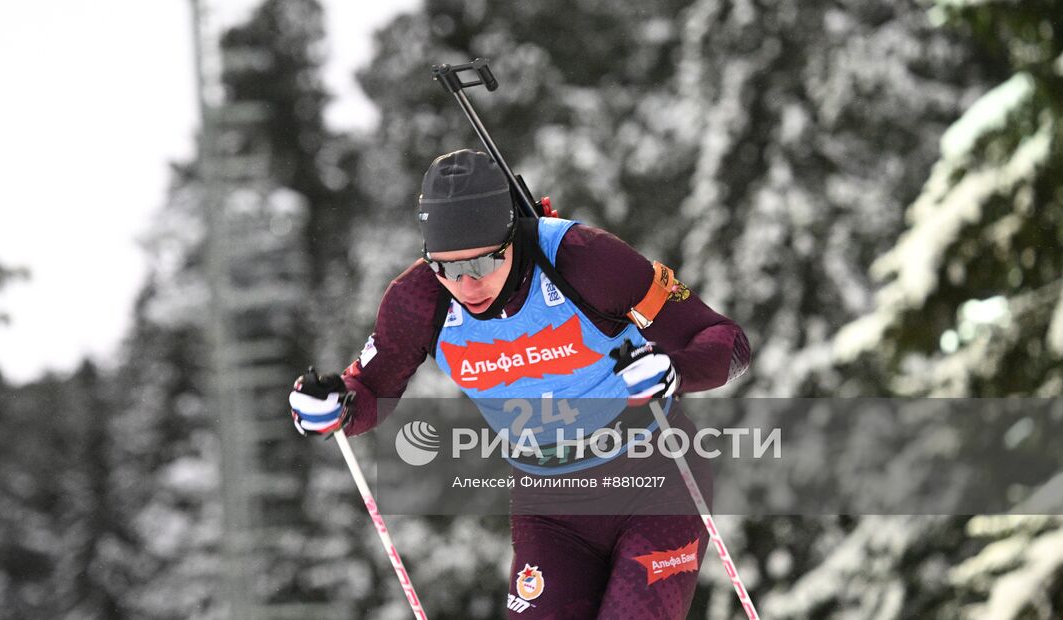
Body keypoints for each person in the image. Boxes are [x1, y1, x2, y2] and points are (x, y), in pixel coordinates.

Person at [289, 149, 751, 619]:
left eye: (484, 263)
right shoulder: (418, 302)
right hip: (551, 510)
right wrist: (334, 407)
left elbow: (728, 343)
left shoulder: (583, 260)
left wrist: (675, 370)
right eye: (448, 268)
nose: (468, 287)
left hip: (656, 486)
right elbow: (368, 391)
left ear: (514, 237)